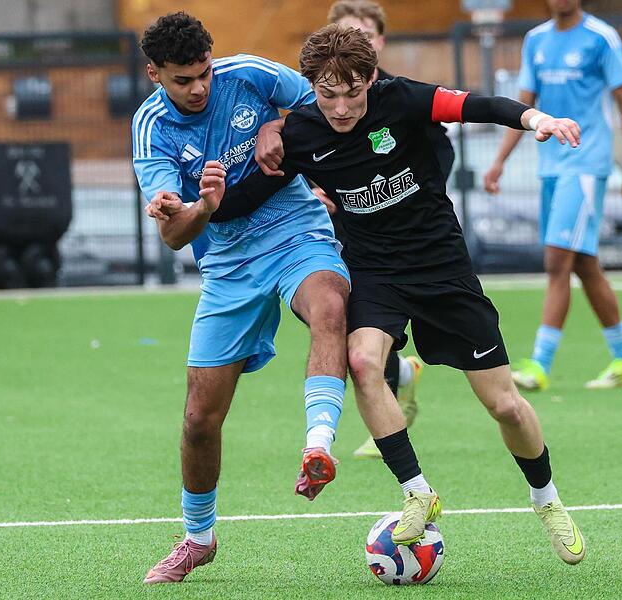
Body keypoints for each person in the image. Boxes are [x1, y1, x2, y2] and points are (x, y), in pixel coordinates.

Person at [218, 24, 587, 564]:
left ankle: (546, 499)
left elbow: (477, 105)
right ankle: (417, 492)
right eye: (327, 94)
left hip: (442, 268)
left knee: (504, 404)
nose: (340, 107)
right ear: (311, 87)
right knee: (363, 361)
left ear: (371, 78)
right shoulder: (300, 134)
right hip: (374, 271)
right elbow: (248, 196)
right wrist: (198, 206)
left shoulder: (403, 99)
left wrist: (537, 119)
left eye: (352, 92)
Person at [132, 13, 351, 584]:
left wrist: (276, 125)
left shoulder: (249, 74)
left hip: (295, 229)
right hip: (227, 264)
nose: (199, 87)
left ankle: (317, 446)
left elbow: (326, 106)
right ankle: (198, 537)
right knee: (200, 418)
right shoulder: (151, 128)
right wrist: (200, 207)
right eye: (183, 80)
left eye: (203, 72)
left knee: (330, 306)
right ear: (154, 74)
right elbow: (174, 235)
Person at [483, 0, 622, 391]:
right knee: (583, 263)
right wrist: (499, 161)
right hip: (551, 167)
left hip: (586, 165)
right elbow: (522, 107)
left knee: (557, 259)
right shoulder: (535, 40)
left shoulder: (601, 38)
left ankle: (539, 365)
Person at [327, 0, 452, 460]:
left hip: (403, 243)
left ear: (379, 42)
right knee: (333, 326)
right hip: (341, 233)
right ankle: (397, 377)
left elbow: (441, 157)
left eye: (364, 34)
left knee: (358, 339)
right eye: (346, 34)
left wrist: (412, 199)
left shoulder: (403, 98)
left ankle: (391, 413)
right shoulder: (322, 100)